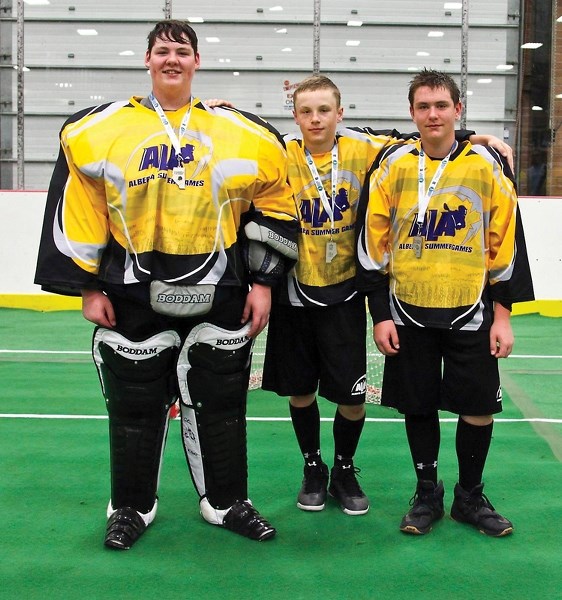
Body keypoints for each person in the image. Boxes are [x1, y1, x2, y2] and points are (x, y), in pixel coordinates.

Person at [34, 19, 299, 550]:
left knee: (223, 398)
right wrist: (87, 287)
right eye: (162, 51)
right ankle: (130, 507)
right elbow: (78, 206)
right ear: (147, 60)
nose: (172, 59)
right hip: (131, 287)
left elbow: (275, 200)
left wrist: (265, 281)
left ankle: (227, 502)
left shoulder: (244, 130)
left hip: (222, 285)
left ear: (197, 62)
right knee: (134, 402)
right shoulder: (95, 128)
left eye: (182, 51)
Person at [255, 75, 514, 517]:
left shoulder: (368, 149)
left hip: (347, 294)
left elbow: (425, 135)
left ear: (341, 113)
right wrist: (215, 106)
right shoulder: (278, 153)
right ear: (293, 115)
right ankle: (313, 467)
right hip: (293, 294)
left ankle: (343, 469)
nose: (315, 119)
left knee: (351, 396)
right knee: (299, 391)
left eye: (324, 110)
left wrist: (479, 136)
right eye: (305, 111)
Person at [356, 68, 534, 536]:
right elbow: (372, 246)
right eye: (422, 106)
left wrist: (503, 315)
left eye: (441, 105)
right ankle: (427, 492)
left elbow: (506, 244)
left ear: (458, 109)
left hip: (472, 310)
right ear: (411, 113)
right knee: (419, 405)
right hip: (408, 311)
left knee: (478, 406)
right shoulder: (392, 165)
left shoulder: (485, 165)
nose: (432, 114)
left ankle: (470, 497)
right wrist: (379, 316)